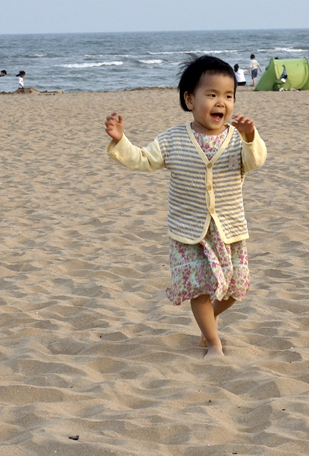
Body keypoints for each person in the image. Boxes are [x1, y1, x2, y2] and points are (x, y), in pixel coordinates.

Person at [104, 55, 267, 359]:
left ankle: (209, 322)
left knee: (236, 288)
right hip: (188, 232)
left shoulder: (237, 139)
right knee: (199, 288)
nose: (221, 103)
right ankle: (214, 343)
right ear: (190, 99)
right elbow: (143, 160)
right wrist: (121, 141)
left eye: (228, 96)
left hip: (228, 228)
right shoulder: (173, 139)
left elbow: (255, 161)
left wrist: (249, 136)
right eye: (212, 94)